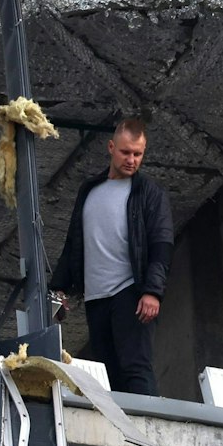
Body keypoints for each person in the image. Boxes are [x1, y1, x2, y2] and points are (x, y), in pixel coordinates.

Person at [50, 118, 173, 396]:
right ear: (110, 147)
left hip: (130, 292)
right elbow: (75, 242)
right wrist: (59, 288)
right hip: (96, 298)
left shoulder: (149, 193)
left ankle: (145, 429)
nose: (132, 159)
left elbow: (161, 245)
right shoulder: (89, 190)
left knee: (135, 367)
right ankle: (125, 435)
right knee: (111, 371)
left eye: (138, 154)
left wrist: (153, 291)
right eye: (125, 152)